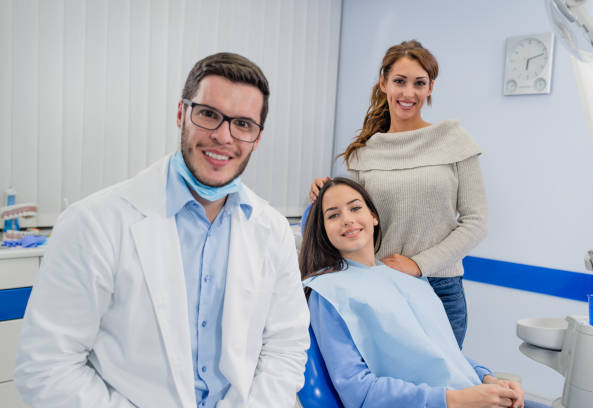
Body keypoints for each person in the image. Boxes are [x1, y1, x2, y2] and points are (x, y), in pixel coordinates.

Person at [14, 52, 310, 408]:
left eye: (243, 124)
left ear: (257, 138)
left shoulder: (272, 230)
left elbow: (286, 346)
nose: (223, 136)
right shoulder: (93, 223)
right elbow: (47, 368)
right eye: (209, 115)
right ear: (181, 114)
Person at [300, 177, 548, 408]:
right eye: (333, 215)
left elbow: (444, 351)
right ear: (322, 229)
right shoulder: (327, 292)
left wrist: (488, 380)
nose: (347, 219)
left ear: (373, 217)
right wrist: (454, 400)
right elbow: (358, 392)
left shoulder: (409, 279)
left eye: (355, 208)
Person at [309, 40, 488, 348]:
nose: (409, 93)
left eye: (419, 83)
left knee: (443, 388)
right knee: (393, 387)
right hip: (380, 284)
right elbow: (359, 222)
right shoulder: (365, 152)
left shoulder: (453, 139)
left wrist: (419, 264)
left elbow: (477, 222)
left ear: (430, 87)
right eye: (399, 82)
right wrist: (326, 193)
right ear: (384, 83)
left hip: (440, 288)